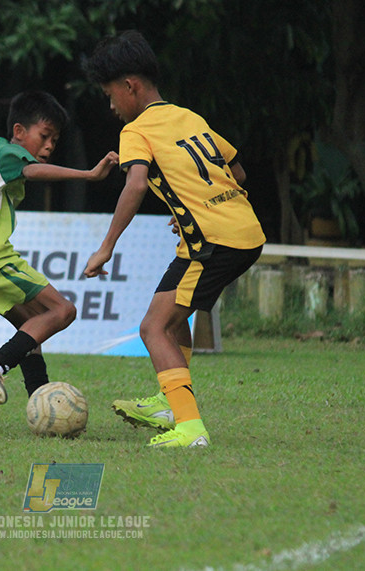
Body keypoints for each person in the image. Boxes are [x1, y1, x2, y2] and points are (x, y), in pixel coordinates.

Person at [81, 31, 266, 448]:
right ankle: (169, 403)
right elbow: (235, 171)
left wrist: (106, 246)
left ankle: (190, 427)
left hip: (213, 240)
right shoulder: (189, 117)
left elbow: (135, 185)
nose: (111, 107)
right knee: (172, 317)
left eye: (111, 96)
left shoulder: (136, 130)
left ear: (131, 87)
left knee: (153, 327)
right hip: (242, 231)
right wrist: (202, 205)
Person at [0, 90, 119, 405]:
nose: (50, 145)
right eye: (45, 135)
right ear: (19, 132)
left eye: (55, 139)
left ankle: (41, 400)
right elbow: (32, 171)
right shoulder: (7, 153)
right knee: (63, 310)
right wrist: (89, 175)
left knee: (31, 326)